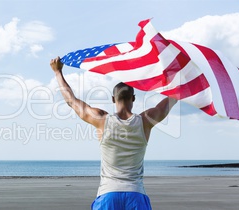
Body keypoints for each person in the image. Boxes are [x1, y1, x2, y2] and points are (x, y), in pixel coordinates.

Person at [50, 56, 178, 210]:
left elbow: (71, 101)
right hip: (135, 194)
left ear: (113, 99)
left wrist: (58, 72)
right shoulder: (145, 121)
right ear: (133, 98)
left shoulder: (101, 120)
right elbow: (172, 98)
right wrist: (180, 77)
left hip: (108, 195)